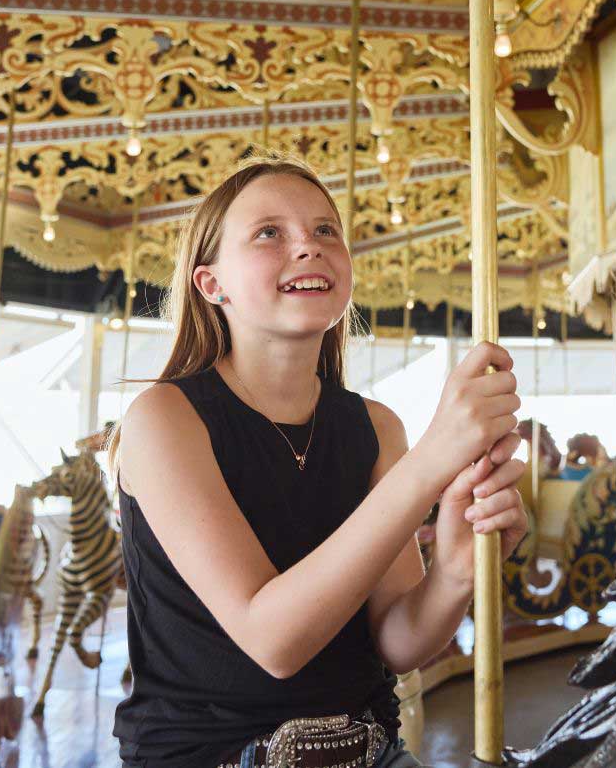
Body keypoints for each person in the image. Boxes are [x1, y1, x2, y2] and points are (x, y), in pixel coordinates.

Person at [112, 157, 529, 768]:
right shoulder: (163, 420)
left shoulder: (374, 426)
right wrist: (431, 464)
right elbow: (272, 641)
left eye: (326, 231)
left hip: (371, 747)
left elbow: (399, 640)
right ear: (212, 284)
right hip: (218, 754)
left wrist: (456, 572)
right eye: (269, 233)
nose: (308, 247)